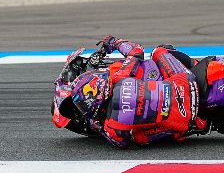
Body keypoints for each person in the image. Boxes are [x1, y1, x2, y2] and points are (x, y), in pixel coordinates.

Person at [52, 36, 208, 147]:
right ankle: (195, 65)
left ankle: (192, 127)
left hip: (184, 119)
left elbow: (121, 142)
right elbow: (136, 50)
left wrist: (97, 125)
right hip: (184, 81)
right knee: (159, 51)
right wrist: (115, 42)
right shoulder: (121, 74)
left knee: (138, 137)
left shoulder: (111, 127)